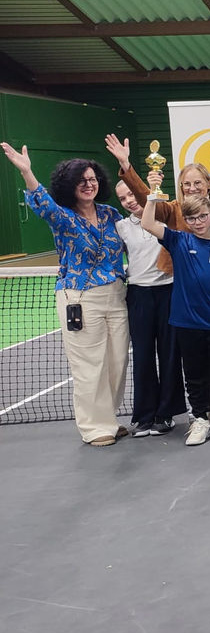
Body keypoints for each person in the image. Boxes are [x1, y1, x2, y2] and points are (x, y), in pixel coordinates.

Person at [3, 143, 130, 446]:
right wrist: (27, 172)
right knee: (89, 364)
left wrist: (126, 166)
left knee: (117, 361)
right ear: (69, 185)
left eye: (92, 179)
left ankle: (108, 419)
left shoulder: (111, 214)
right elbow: (41, 203)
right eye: (81, 180)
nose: (88, 185)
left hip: (117, 295)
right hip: (80, 298)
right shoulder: (62, 217)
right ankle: (94, 426)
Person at [139, 190, 210, 445]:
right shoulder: (178, 241)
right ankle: (200, 419)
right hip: (187, 323)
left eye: (201, 217)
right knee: (195, 375)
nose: (197, 222)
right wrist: (152, 196)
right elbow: (147, 223)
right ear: (185, 221)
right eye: (191, 219)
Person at [115, 180, 184, 437]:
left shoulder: (165, 216)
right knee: (142, 357)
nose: (129, 200)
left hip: (169, 291)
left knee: (169, 354)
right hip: (139, 295)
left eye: (131, 194)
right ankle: (144, 415)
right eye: (122, 199)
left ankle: (165, 415)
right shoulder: (121, 227)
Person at [106, 133, 210, 233]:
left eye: (197, 183)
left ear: (208, 184)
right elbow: (146, 200)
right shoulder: (172, 210)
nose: (192, 188)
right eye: (187, 184)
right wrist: (126, 165)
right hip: (186, 278)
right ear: (181, 187)